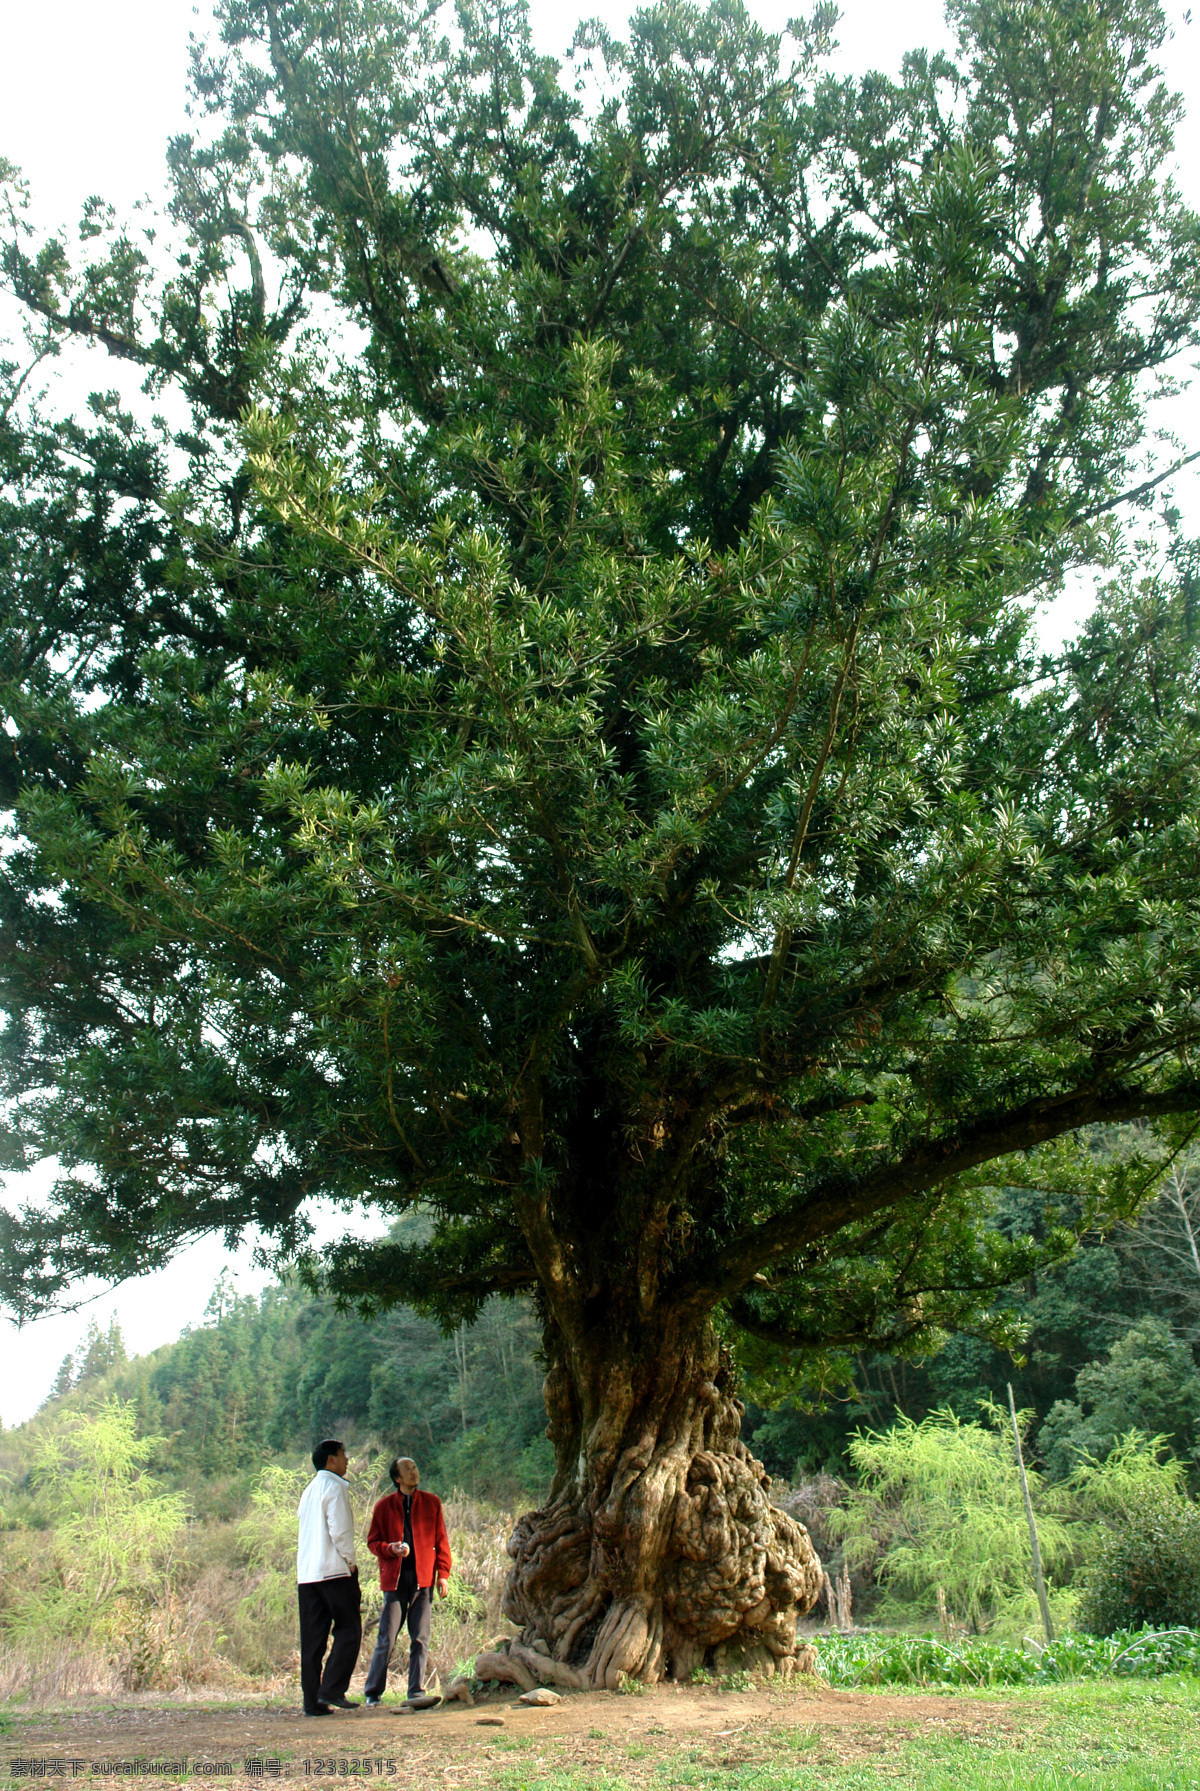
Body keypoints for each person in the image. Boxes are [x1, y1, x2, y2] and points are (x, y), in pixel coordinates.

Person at [363, 1456, 452, 1705]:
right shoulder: (383, 1507)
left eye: (415, 1466)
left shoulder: (432, 1503)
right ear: (397, 1478)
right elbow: (373, 1542)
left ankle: (415, 1692)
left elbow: (441, 1541)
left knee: (420, 1638)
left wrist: (443, 1574)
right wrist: (391, 1549)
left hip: (423, 1580)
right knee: (386, 1638)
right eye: (407, 1469)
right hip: (395, 1581)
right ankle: (373, 1693)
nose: (414, 1472)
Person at [296, 1439, 363, 1716]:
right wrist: (351, 1562)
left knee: (313, 1641)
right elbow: (340, 1531)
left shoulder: (308, 1491)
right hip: (334, 1570)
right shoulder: (334, 1487)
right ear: (331, 1460)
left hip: (308, 1575)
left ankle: (313, 1701)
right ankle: (332, 1689)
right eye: (343, 1455)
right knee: (349, 1629)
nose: (347, 1460)